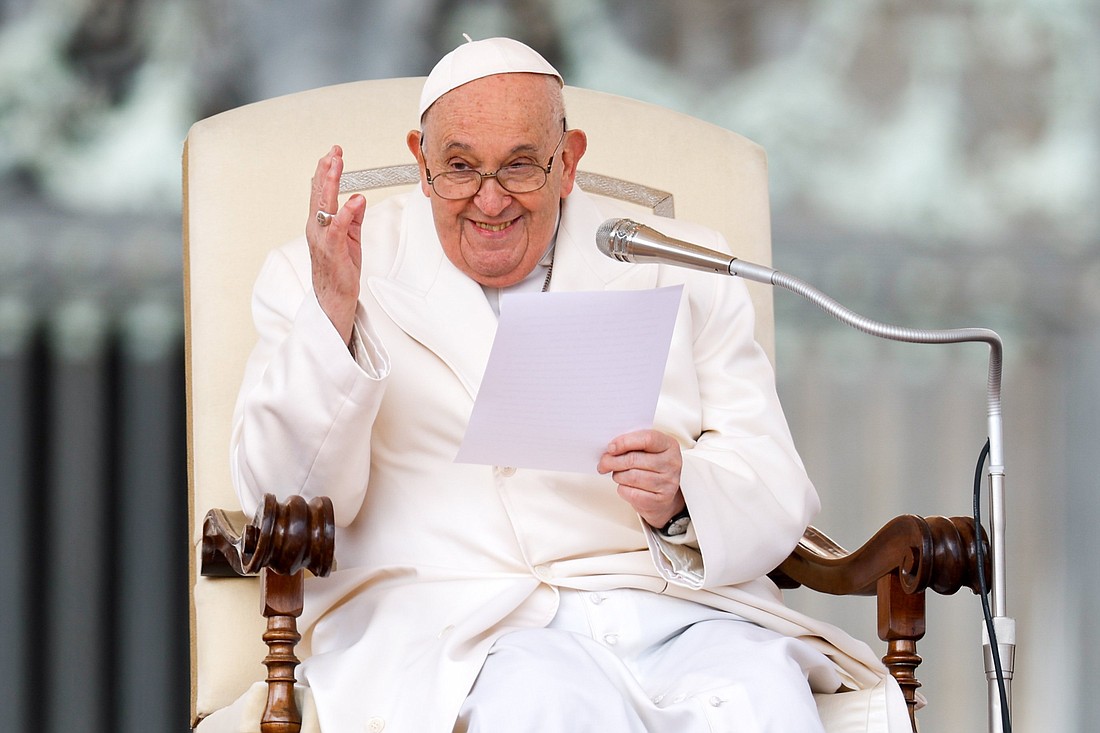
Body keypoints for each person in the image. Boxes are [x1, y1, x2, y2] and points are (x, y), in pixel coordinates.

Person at [230, 36, 910, 732]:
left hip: (672, 618)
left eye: (520, 167)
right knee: (546, 704)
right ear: (420, 159)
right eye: (460, 168)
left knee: (761, 689)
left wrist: (684, 495)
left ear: (569, 160)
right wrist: (332, 322)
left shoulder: (676, 262)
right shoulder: (328, 270)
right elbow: (283, 496)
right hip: (460, 631)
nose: (489, 201)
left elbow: (775, 486)